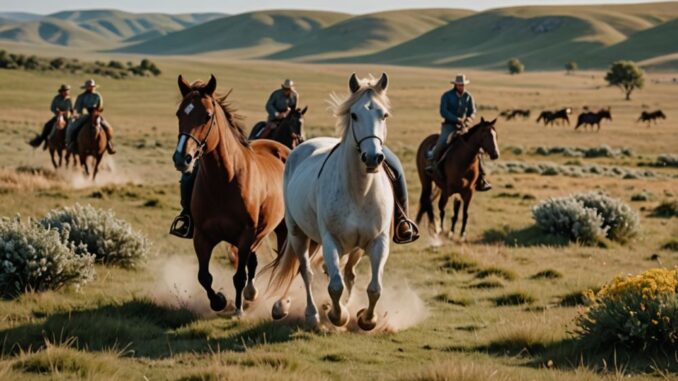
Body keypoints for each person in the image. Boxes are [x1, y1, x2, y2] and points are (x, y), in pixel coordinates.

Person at [427, 74, 491, 191]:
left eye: (462, 85)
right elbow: (443, 111)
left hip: (464, 127)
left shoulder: (468, 97)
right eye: (459, 85)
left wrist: (468, 119)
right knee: (443, 141)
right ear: (455, 85)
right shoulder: (447, 96)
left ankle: (481, 177)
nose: (461, 86)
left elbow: (473, 111)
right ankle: (432, 163)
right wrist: (456, 119)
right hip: (449, 126)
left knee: (477, 149)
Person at [66, 79, 116, 154]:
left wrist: (96, 112)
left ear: (94, 87)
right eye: (89, 86)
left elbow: (100, 106)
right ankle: (71, 144)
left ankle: (109, 144)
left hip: (96, 115)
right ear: (86, 87)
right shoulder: (81, 97)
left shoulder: (97, 96)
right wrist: (81, 113)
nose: (90, 88)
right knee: (72, 127)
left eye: (92, 86)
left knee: (107, 127)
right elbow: (77, 108)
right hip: (84, 115)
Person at [29, 84, 73, 149]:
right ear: (62, 91)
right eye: (65, 91)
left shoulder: (70, 100)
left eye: (67, 91)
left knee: (73, 127)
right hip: (58, 116)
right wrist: (57, 111)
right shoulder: (57, 98)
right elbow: (52, 107)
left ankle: (73, 142)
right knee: (47, 125)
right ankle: (45, 140)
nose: (66, 92)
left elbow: (72, 109)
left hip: (67, 117)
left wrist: (67, 113)